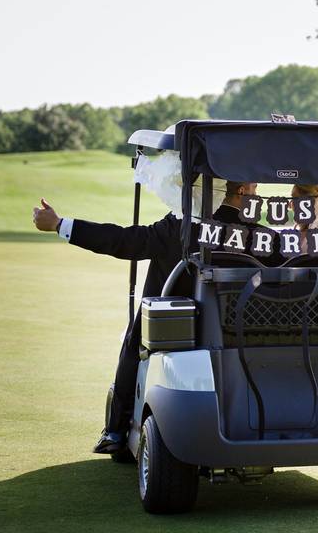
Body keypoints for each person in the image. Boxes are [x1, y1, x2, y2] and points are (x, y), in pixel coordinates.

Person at [32, 181, 259, 453]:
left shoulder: (178, 226)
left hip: (174, 324)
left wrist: (60, 224)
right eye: (255, 188)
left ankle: (115, 431)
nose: (256, 194)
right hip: (233, 327)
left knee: (134, 341)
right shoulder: (255, 234)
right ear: (242, 190)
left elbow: (123, 241)